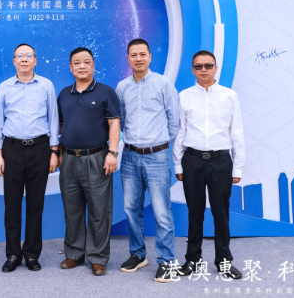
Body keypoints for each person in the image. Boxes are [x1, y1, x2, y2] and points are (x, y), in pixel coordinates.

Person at [173, 50, 244, 280]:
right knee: (194, 213)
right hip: (192, 160)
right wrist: (178, 165)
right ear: (192, 70)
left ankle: (224, 262)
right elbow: (180, 131)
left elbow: (236, 132)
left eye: (208, 65)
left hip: (221, 162)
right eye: (198, 66)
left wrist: (237, 167)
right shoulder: (184, 96)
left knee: (220, 214)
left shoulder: (229, 96)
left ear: (216, 68)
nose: (203, 70)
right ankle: (192, 260)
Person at [116, 38, 180, 282]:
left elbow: (174, 121)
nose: (138, 58)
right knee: (131, 208)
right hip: (130, 156)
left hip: (156, 155)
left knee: (162, 211)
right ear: (128, 58)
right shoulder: (122, 87)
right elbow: (121, 120)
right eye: (134, 55)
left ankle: (167, 261)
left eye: (143, 54)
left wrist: (159, 144)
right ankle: (138, 254)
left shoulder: (164, 84)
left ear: (150, 57)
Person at [0, 43, 60, 273]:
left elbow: (53, 118)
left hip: (40, 148)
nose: (24, 59)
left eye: (28, 55)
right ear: (14, 61)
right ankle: (13, 254)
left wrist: (54, 151)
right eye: (19, 56)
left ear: (35, 60)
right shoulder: (4, 87)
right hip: (11, 148)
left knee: (35, 204)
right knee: (11, 204)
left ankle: (32, 253)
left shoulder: (46, 85)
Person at [57, 47, 120, 276]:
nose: (82, 66)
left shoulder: (106, 92)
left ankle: (98, 257)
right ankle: (74, 254)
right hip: (69, 159)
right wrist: (58, 153)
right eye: (77, 62)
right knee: (72, 210)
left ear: (93, 65)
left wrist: (113, 153)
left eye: (86, 62)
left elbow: (114, 123)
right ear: (70, 67)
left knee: (99, 211)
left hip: (97, 158)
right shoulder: (64, 94)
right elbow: (61, 125)